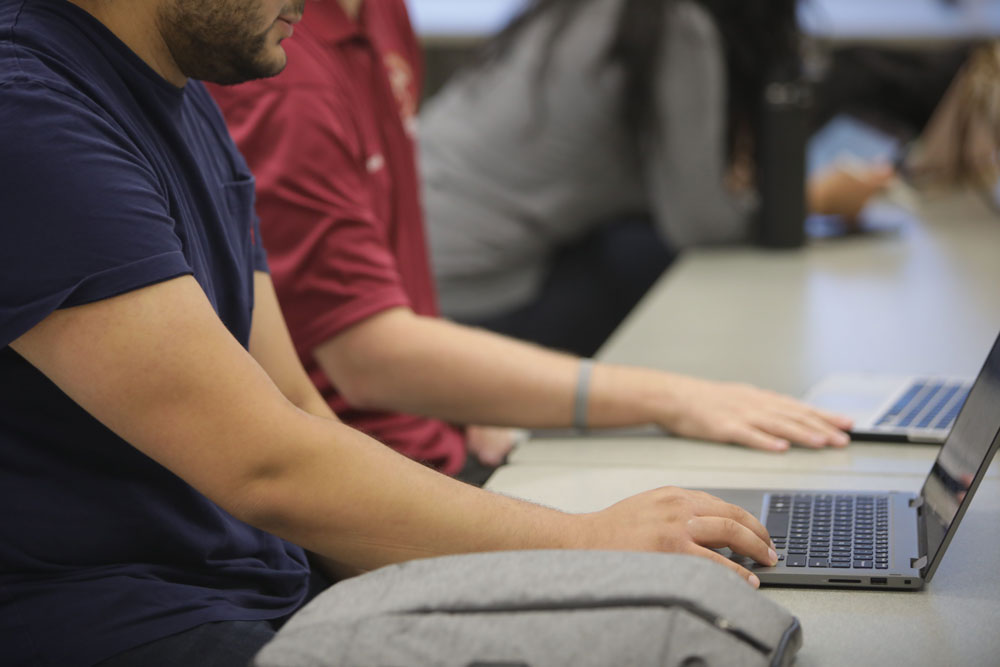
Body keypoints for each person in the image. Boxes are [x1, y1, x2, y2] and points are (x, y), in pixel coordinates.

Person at [1, 1, 818, 664]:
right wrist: (581, 542)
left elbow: (295, 407)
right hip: (126, 616)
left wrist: (575, 559)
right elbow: (263, 462)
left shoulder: (189, 96)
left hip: (267, 581)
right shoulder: (27, 111)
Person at [208, 0, 853, 489]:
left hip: (418, 397)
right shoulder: (286, 72)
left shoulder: (379, 12)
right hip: (387, 436)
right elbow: (365, 357)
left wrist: (458, 401)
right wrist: (673, 396)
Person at [419, 0, 896, 356]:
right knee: (666, 271)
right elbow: (702, 225)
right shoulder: (674, 26)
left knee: (636, 247)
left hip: (420, 272)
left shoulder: (586, 11)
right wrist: (812, 198)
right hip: (470, 303)